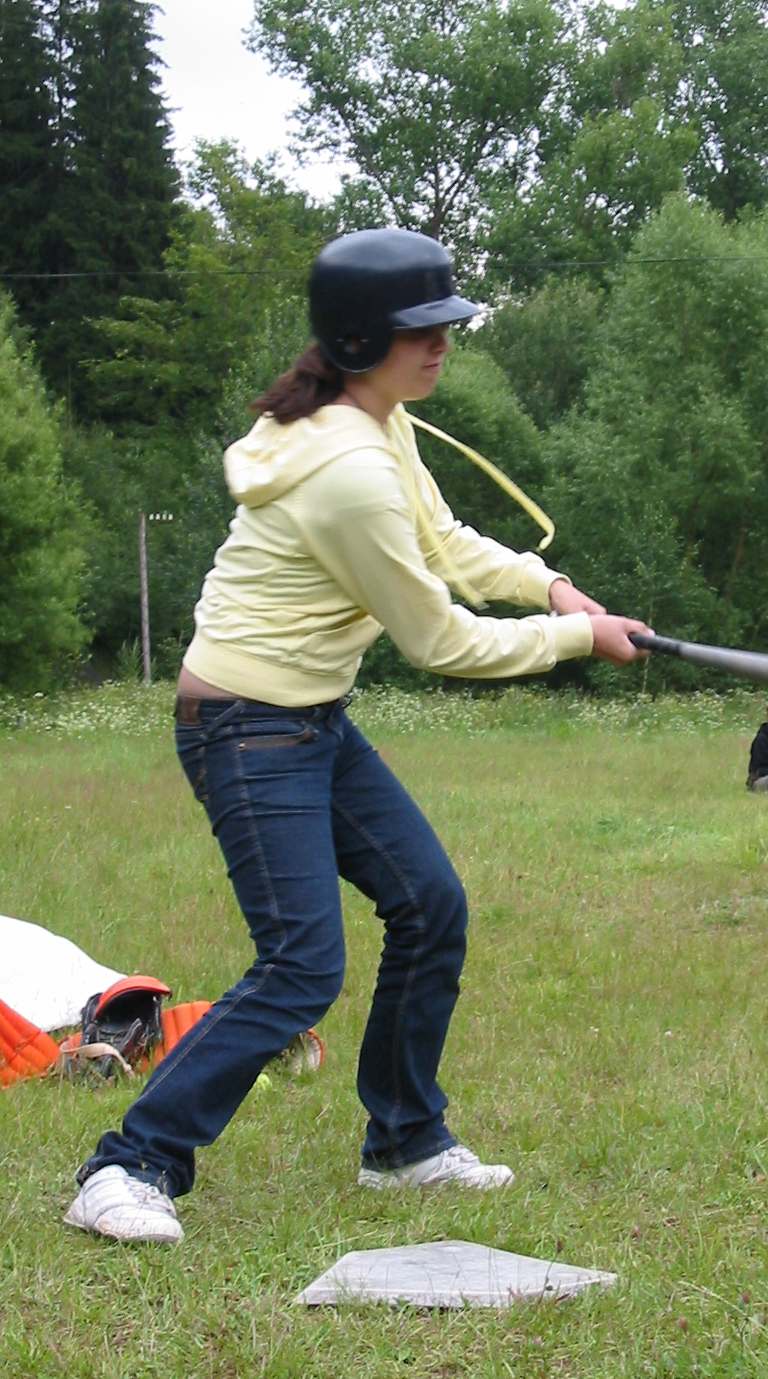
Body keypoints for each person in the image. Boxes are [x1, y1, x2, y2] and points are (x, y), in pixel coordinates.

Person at [63, 228, 651, 1244]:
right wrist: (575, 639)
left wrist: (550, 585)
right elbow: (439, 640)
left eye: (447, 325)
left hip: (311, 719)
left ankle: (405, 1142)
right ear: (358, 338)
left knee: (430, 904)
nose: (443, 345)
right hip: (245, 726)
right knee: (301, 966)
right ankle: (128, 1165)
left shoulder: (378, 420)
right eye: (422, 331)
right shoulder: (345, 469)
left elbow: (444, 540)